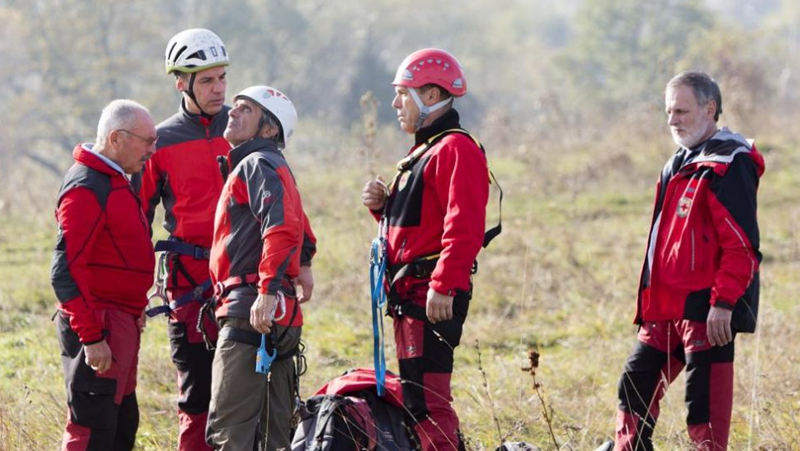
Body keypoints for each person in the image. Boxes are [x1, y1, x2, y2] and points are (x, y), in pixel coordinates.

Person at [593, 72, 764, 451]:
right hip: (665, 309)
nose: (673, 120)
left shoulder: (729, 162)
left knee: (703, 410)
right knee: (634, 386)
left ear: (710, 109)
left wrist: (723, 304)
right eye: (669, 111)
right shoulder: (677, 163)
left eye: (682, 111)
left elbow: (741, 246)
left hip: (707, 310)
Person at [361, 48, 490, 451]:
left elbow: (464, 227)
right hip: (411, 296)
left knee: (428, 403)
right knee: (418, 400)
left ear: (431, 96)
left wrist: (445, 285)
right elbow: (419, 233)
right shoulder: (424, 150)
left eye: (403, 93)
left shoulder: (456, 149)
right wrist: (382, 210)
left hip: (430, 297)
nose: (395, 104)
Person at [132, 28, 231, 451]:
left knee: (253, 389)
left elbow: (285, 197)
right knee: (197, 394)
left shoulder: (245, 125)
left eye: (222, 77)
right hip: (189, 284)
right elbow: (135, 220)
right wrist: (132, 293)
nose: (219, 88)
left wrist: (301, 259)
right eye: (207, 80)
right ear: (181, 83)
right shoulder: (159, 142)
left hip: (246, 280)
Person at [206, 86, 316, 451]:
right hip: (280, 315)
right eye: (234, 106)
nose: (232, 113)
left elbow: (282, 224)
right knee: (275, 436)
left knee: (230, 432)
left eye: (246, 110)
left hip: (252, 310)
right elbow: (298, 221)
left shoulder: (255, 164)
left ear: (268, 130)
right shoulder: (276, 166)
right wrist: (303, 263)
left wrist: (267, 291)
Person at [51, 99, 157, 451]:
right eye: (147, 141)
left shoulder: (115, 179)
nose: (152, 151)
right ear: (116, 138)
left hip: (120, 321)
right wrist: (92, 337)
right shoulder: (87, 187)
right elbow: (65, 271)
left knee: (121, 427)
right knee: (92, 431)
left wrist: (135, 303)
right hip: (100, 324)